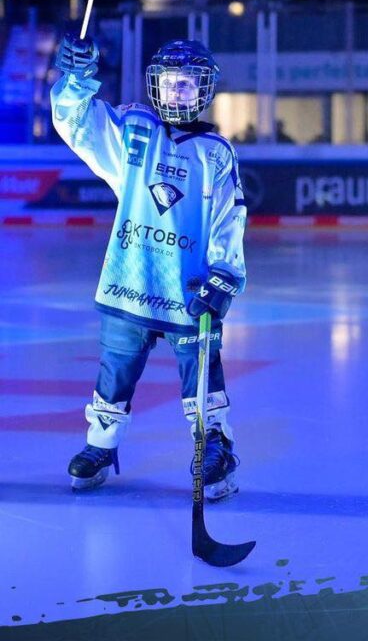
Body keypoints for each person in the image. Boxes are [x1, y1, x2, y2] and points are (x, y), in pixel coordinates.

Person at [50, 36, 247, 500]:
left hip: (188, 287)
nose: (177, 92)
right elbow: (76, 124)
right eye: (171, 82)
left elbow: (229, 215)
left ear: (204, 90)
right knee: (115, 368)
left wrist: (224, 275)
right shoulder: (134, 129)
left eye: (187, 84)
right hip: (130, 279)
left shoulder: (216, 152)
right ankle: (101, 446)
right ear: (155, 85)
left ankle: (215, 446)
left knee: (201, 370)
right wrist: (75, 81)